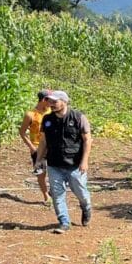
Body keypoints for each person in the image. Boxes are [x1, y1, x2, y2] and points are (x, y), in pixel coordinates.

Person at [36, 91, 92, 234]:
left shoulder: (78, 117)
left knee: (81, 193)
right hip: (54, 164)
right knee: (57, 193)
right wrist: (39, 160)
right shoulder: (47, 119)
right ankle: (64, 222)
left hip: (75, 165)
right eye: (50, 101)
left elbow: (87, 140)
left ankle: (86, 207)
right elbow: (43, 141)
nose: (51, 104)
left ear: (64, 101)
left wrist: (84, 161)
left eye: (55, 101)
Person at [18, 89, 52, 204]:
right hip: (38, 147)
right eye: (49, 100)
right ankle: (46, 195)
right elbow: (22, 132)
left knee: (55, 170)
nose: (51, 102)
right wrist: (32, 147)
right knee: (41, 173)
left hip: (52, 146)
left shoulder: (51, 112)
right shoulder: (31, 114)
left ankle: (53, 192)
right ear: (43, 100)